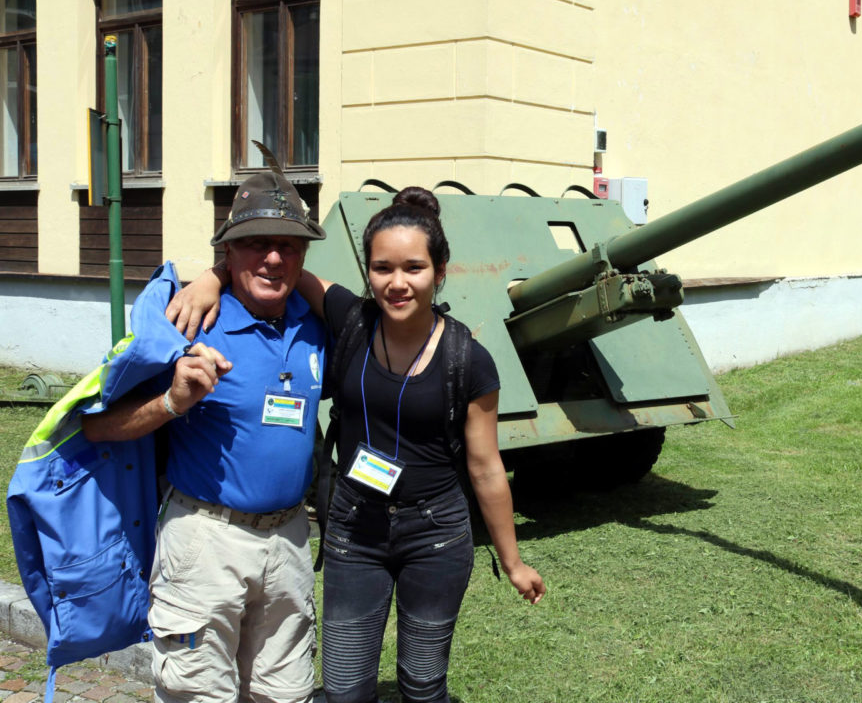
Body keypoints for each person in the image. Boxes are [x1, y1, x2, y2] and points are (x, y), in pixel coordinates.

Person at [170, 187, 546, 703]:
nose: (397, 283)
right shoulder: (352, 320)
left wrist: (513, 562)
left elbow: (485, 467)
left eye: (414, 268)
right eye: (382, 268)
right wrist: (212, 278)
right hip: (354, 531)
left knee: (422, 684)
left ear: (440, 271)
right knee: (345, 688)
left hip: (435, 535)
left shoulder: (469, 360)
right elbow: (284, 270)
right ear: (367, 272)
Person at [82, 171, 328, 703]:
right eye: (256, 243)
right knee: (197, 694)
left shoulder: (315, 323)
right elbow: (98, 424)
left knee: (287, 694)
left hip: (290, 540)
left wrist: (216, 274)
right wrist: (172, 401)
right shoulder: (188, 320)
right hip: (205, 540)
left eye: (288, 245)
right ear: (228, 251)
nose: (273, 259)